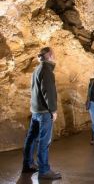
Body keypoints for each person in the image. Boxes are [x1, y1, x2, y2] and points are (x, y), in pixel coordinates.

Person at [22, 47, 62, 180]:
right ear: (50, 55)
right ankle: (44, 170)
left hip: (35, 111)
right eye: (54, 53)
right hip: (44, 112)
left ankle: (27, 165)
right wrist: (53, 110)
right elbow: (48, 92)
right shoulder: (47, 70)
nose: (55, 55)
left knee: (31, 138)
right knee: (44, 141)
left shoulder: (37, 69)